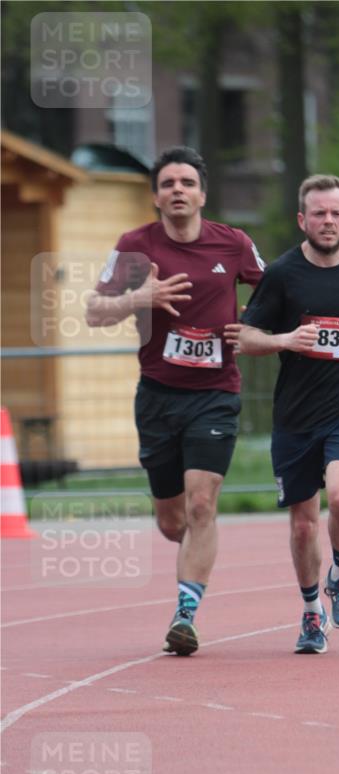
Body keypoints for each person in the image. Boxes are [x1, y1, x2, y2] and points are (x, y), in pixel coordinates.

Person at [86, 146, 265, 656]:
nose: (178, 190)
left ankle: (186, 614)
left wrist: (255, 323)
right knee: (173, 521)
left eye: (187, 182)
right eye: (168, 184)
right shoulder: (134, 246)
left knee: (202, 504)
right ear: (156, 197)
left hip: (215, 394)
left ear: (202, 193)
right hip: (159, 397)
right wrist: (137, 299)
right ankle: (192, 547)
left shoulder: (233, 243)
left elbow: (276, 287)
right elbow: (94, 310)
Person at [224, 174, 339, 654]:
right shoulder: (282, 274)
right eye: (320, 214)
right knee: (304, 523)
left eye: (337, 213)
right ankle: (310, 612)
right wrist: (285, 340)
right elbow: (243, 338)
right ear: (302, 220)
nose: (329, 222)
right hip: (296, 417)